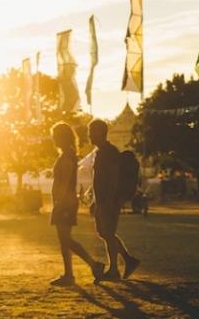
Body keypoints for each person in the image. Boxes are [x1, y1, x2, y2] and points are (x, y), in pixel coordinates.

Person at [49, 122, 105, 286]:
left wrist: (59, 202)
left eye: (55, 136)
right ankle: (69, 274)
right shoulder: (67, 154)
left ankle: (94, 265)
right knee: (63, 239)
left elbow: (66, 182)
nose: (53, 139)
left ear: (61, 137)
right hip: (63, 202)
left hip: (65, 202)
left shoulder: (67, 156)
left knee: (66, 239)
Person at [88, 119, 140, 280]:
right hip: (102, 200)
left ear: (100, 133)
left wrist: (108, 201)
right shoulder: (101, 152)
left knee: (108, 233)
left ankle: (114, 270)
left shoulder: (110, 152)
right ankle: (128, 260)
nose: (89, 136)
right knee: (104, 233)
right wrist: (96, 200)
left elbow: (113, 177)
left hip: (109, 200)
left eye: (92, 132)